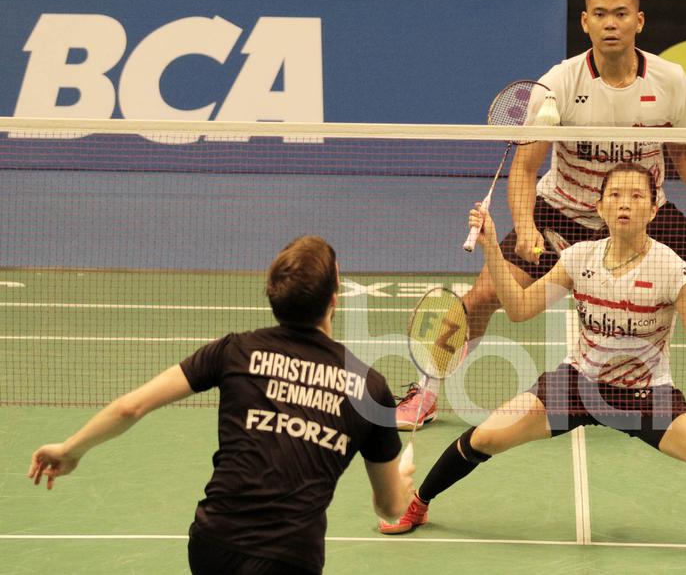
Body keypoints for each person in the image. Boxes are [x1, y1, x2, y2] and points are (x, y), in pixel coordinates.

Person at [397, 0, 686, 431]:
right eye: (600, 14)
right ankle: (425, 391)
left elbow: (683, 150)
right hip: (564, 212)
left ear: (638, 21)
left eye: (621, 14)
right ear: (585, 22)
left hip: (645, 214)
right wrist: (525, 226)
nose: (611, 23)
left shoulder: (670, 81)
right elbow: (525, 169)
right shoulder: (557, 85)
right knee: (483, 296)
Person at [380, 164, 686, 534]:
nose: (625, 204)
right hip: (576, 386)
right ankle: (418, 503)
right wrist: (491, 248)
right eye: (615, 194)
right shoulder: (578, 258)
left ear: (653, 210)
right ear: (600, 206)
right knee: (486, 436)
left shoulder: (673, 269)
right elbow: (521, 309)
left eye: (637, 196)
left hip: (646, 396)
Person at [28, 236, 414, 575]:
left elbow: (132, 407)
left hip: (214, 544)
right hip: (289, 558)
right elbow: (390, 508)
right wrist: (402, 480)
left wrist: (69, 449)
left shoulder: (236, 352)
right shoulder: (368, 386)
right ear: (334, 299)